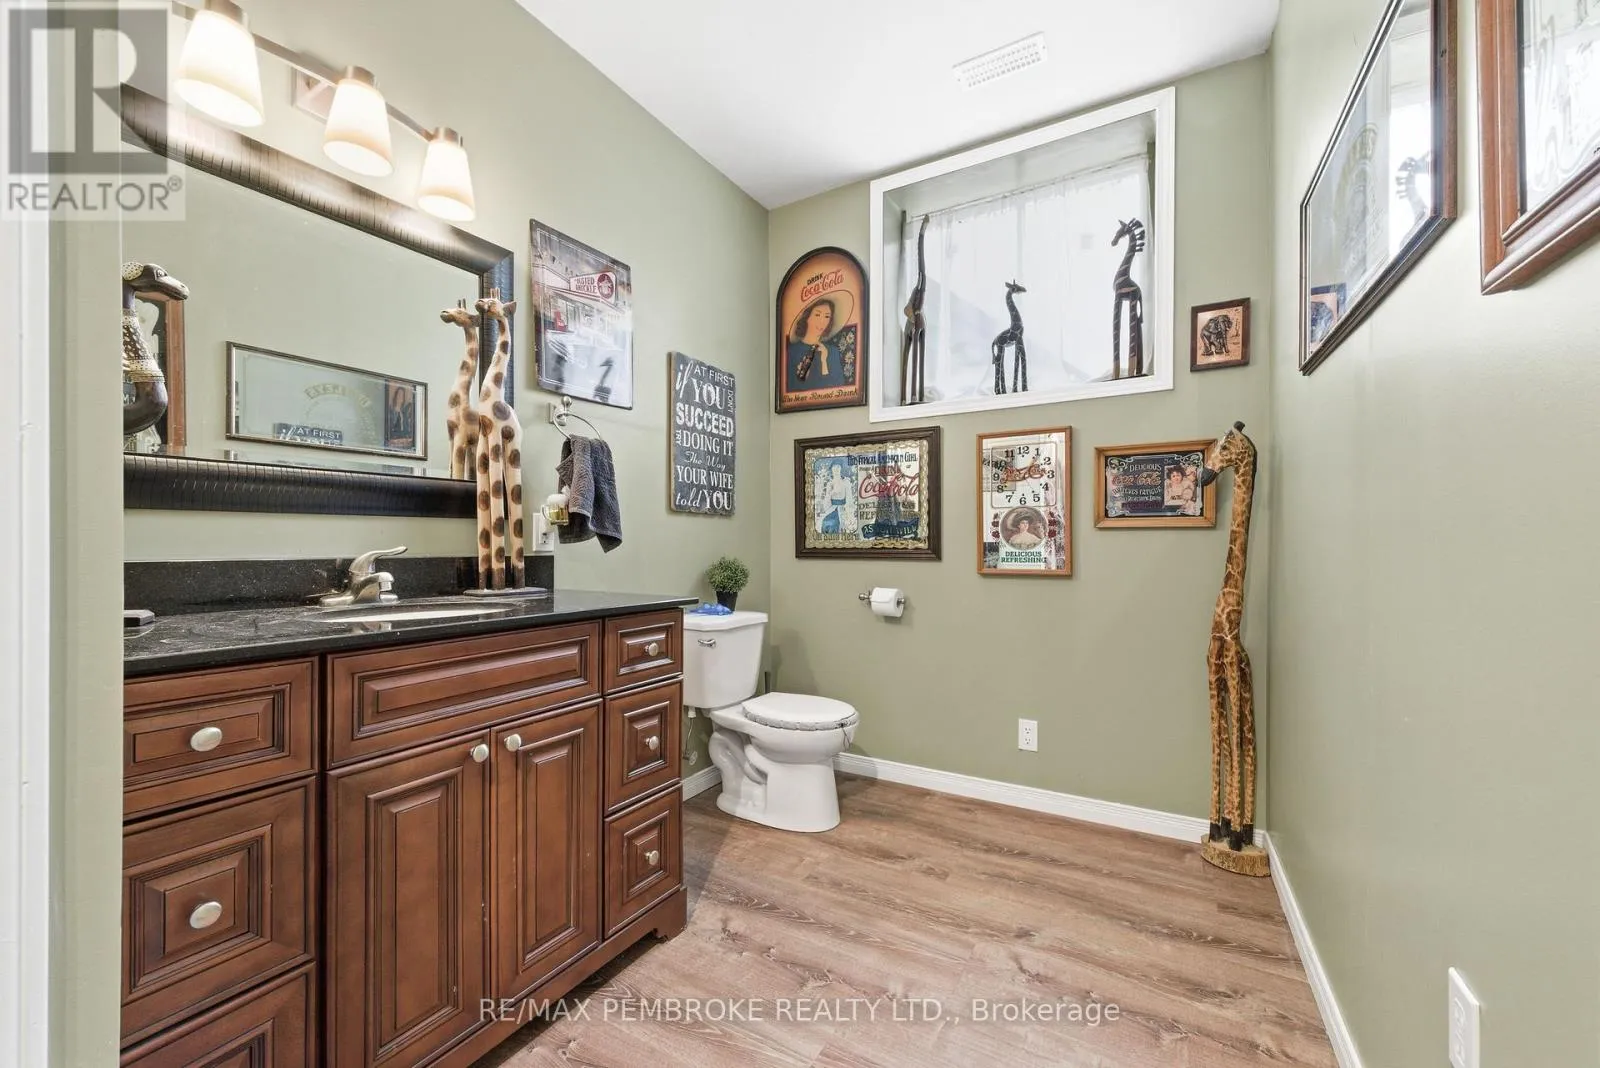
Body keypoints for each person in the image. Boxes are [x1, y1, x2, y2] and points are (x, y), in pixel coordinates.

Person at [786, 298, 848, 393]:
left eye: (827, 317)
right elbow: (790, 391)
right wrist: (802, 378)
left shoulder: (833, 352)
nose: (822, 321)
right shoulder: (791, 352)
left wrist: (824, 363)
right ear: (807, 317)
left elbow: (839, 390)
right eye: (817, 315)